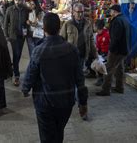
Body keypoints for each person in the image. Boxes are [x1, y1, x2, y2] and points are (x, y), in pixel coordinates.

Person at [22, 13, 88, 143]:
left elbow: (31, 73)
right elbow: (80, 79)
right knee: (59, 132)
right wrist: (83, 102)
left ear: (44, 29)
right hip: (66, 102)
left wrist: (25, 88)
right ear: (59, 28)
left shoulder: (39, 50)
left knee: (47, 135)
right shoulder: (72, 49)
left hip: (44, 102)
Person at [96, 4, 131, 96]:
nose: (110, 12)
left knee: (109, 68)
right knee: (119, 68)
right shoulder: (125, 19)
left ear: (115, 11)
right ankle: (120, 87)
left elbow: (115, 38)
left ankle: (106, 89)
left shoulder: (117, 21)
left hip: (117, 50)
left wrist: (111, 49)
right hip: (124, 49)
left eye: (111, 11)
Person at [60, 3, 97, 76]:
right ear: (73, 12)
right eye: (78, 12)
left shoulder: (88, 24)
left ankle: (79, 86)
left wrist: (95, 54)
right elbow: (61, 40)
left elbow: (91, 40)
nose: (80, 14)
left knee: (80, 74)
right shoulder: (68, 24)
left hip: (82, 55)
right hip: (70, 55)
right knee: (70, 74)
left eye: (82, 12)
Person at [3, 0, 29, 86]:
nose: (18, 2)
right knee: (16, 54)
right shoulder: (10, 9)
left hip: (22, 36)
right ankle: (16, 75)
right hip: (13, 36)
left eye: (19, 0)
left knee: (18, 54)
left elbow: (28, 21)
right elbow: (5, 23)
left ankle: (13, 69)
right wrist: (6, 35)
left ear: (22, 0)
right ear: (14, 0)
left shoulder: (25, 10)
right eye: (16, 0)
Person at [94, 19, 110, 87]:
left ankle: (104, 79)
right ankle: (100, 78)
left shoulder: (107, 34)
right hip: (101, 53)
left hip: (107, 53)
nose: (97, 31)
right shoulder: (97, 35)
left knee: (102, 65)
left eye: (98, 29)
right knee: (96, 64)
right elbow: (98, 46)